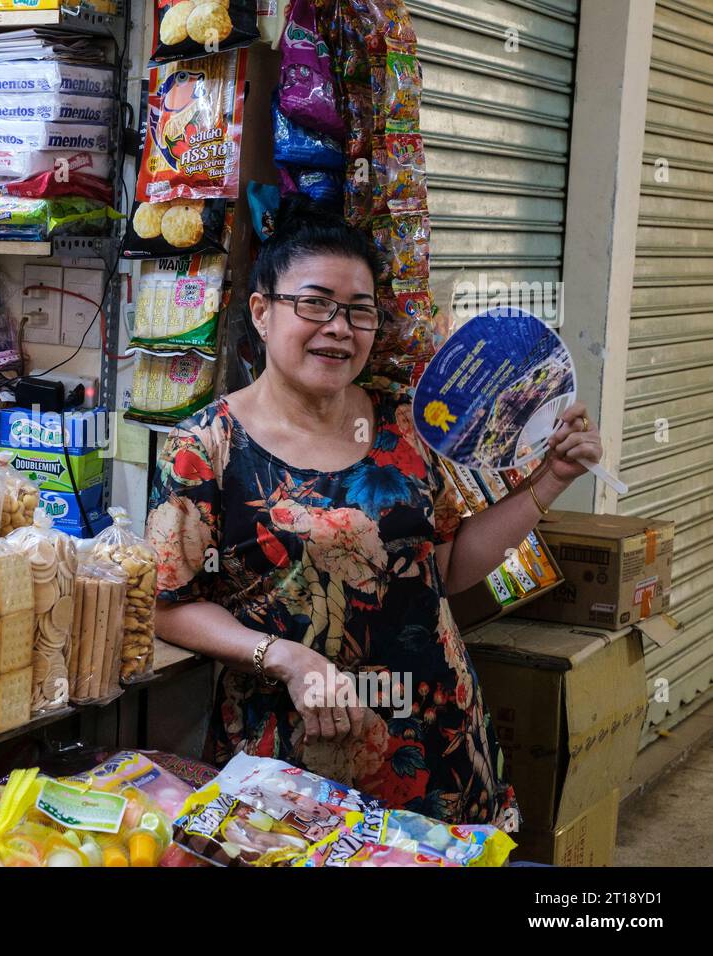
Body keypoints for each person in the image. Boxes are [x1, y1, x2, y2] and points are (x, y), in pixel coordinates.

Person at [147, 197, 603, 829]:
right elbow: (168, 603)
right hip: (299, 754)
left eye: (359, 310)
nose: (338, 327)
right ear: (261, 311)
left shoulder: (403, 428)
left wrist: (550, 480)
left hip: (438, 741)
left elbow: (447, 565)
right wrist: (282, 656)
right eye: (314, 304)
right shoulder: (205, 448)